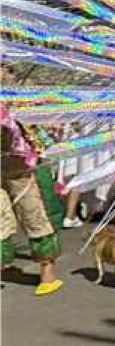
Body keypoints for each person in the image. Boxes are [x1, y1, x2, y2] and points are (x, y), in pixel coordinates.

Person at [1, 106, 65, 296]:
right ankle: (4, 263)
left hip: (23, 168)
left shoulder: (20, 100)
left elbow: (42, 136)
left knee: (34, 215)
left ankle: (48, 274)